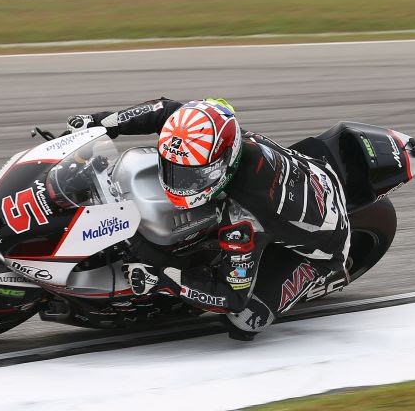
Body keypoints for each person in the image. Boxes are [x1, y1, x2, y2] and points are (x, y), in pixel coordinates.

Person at [66, 98, 350, 340]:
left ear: (224, 163)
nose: (179, 182)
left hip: (326, 244)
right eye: (174, 169)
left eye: (192, 175)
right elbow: (166, 110)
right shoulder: (212, 124)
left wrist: (164, 279)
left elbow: (231, 296)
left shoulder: (244, 216)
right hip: (311, 170)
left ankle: (315, 274)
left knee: (244, 320)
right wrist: (101, 123)